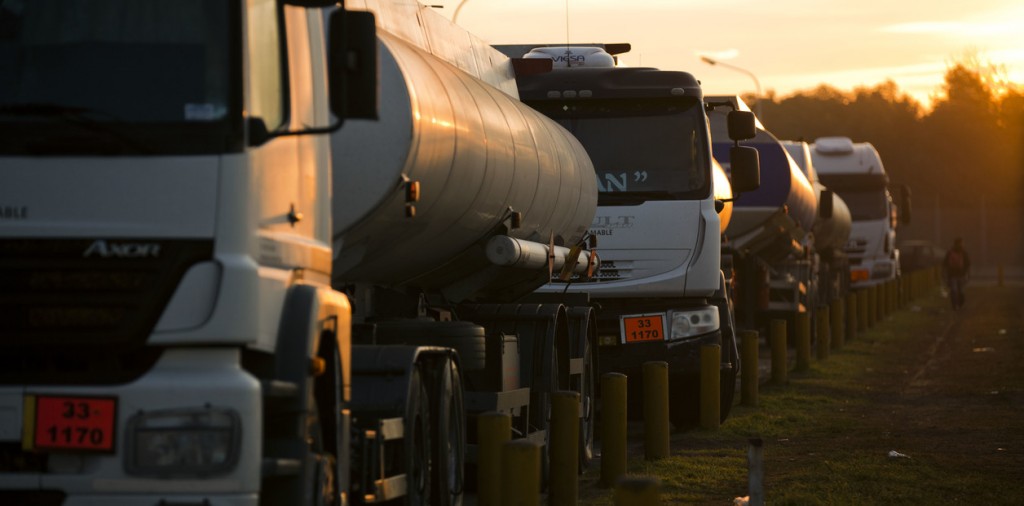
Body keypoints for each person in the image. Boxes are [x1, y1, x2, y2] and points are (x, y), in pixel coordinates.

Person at [943, 237, 970, 310]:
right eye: (962, 243)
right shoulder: (963, 252)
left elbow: (945, 263)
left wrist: (945, 274)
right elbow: (968, 264)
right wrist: (967, 273)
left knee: (954, 290)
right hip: (960, 274)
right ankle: (958, 304)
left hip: (953, 275)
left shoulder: (950, 252)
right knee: (960, 291)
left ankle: (955, 305)